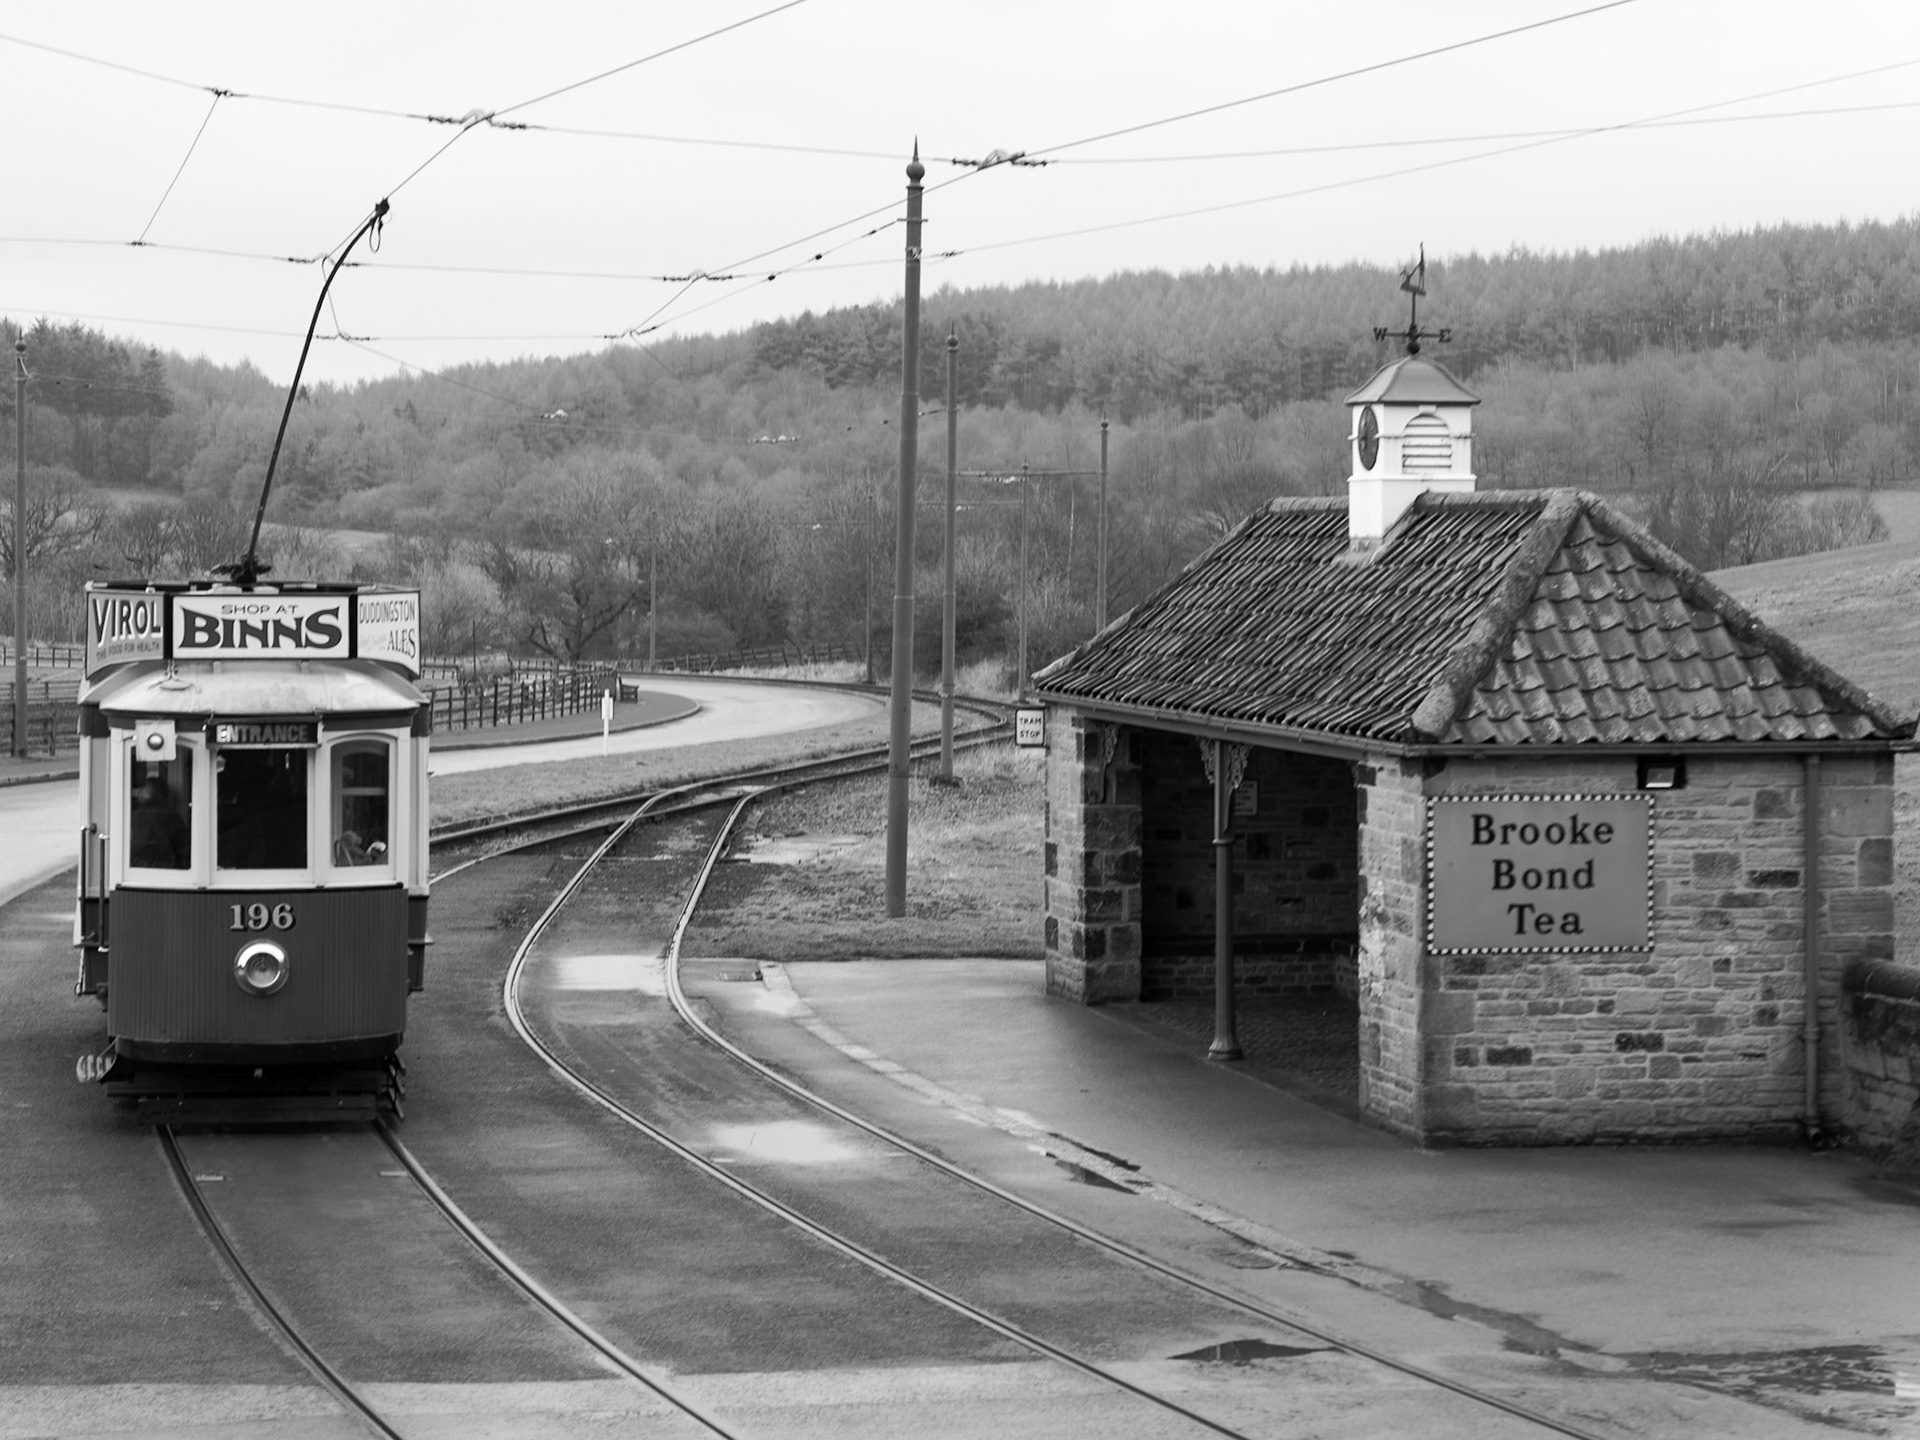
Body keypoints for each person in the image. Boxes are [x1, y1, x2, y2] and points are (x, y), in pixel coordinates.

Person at [130, 774, 188, 868]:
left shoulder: (133, 816)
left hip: (135, 869)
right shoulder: (173, 817)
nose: (138, 793)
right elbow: (182, 851)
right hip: (166, 870)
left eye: (142, 790)